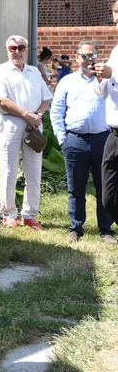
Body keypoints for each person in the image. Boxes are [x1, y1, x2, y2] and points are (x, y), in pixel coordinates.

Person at [50, 41, 115, 244]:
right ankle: (75, 227)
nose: (89, 60)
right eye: (84, 56)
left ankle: (105, 229)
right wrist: (63, 139)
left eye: (92, 55)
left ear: (97, 56)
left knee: (104, 187)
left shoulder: (106, 81)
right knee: (75, 188)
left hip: (102, 139)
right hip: (75, 140)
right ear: (77, 57)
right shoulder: (67, 82)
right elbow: (57, 112)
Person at [0, 35, 53, 229]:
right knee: (8, 170)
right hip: (11, 123)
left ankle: (29, 214)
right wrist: (27, 115)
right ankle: (9, 214)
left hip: (33, 124)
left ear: (26, 50)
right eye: (12, 48)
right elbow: (1, 100)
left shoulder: (34, 72)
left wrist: (37, 116)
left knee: (34, 171)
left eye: (21, 48)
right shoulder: (0, 71)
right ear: (7, 50)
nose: (17, 51)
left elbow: (46, 98)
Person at [94, 1, 118, 226]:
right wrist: (101, 78)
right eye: (116, 15)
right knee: (109, 198)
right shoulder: (115, 51)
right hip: (113, 134)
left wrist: (113, 76)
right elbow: (104, 93)